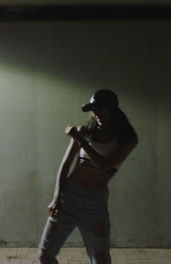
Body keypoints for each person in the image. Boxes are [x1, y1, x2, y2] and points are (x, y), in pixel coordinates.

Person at [38, 89, 138, 264]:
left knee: (101, 260)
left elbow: (105, 165)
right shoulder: (85, 131)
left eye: (100, 108)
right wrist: (56, 198)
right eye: (93, 109)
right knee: (45, 256)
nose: (95, 113)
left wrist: (81, 140)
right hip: (69, 198)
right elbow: (65, 165)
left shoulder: (127, 139)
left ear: (112, 109)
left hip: (95, 204)